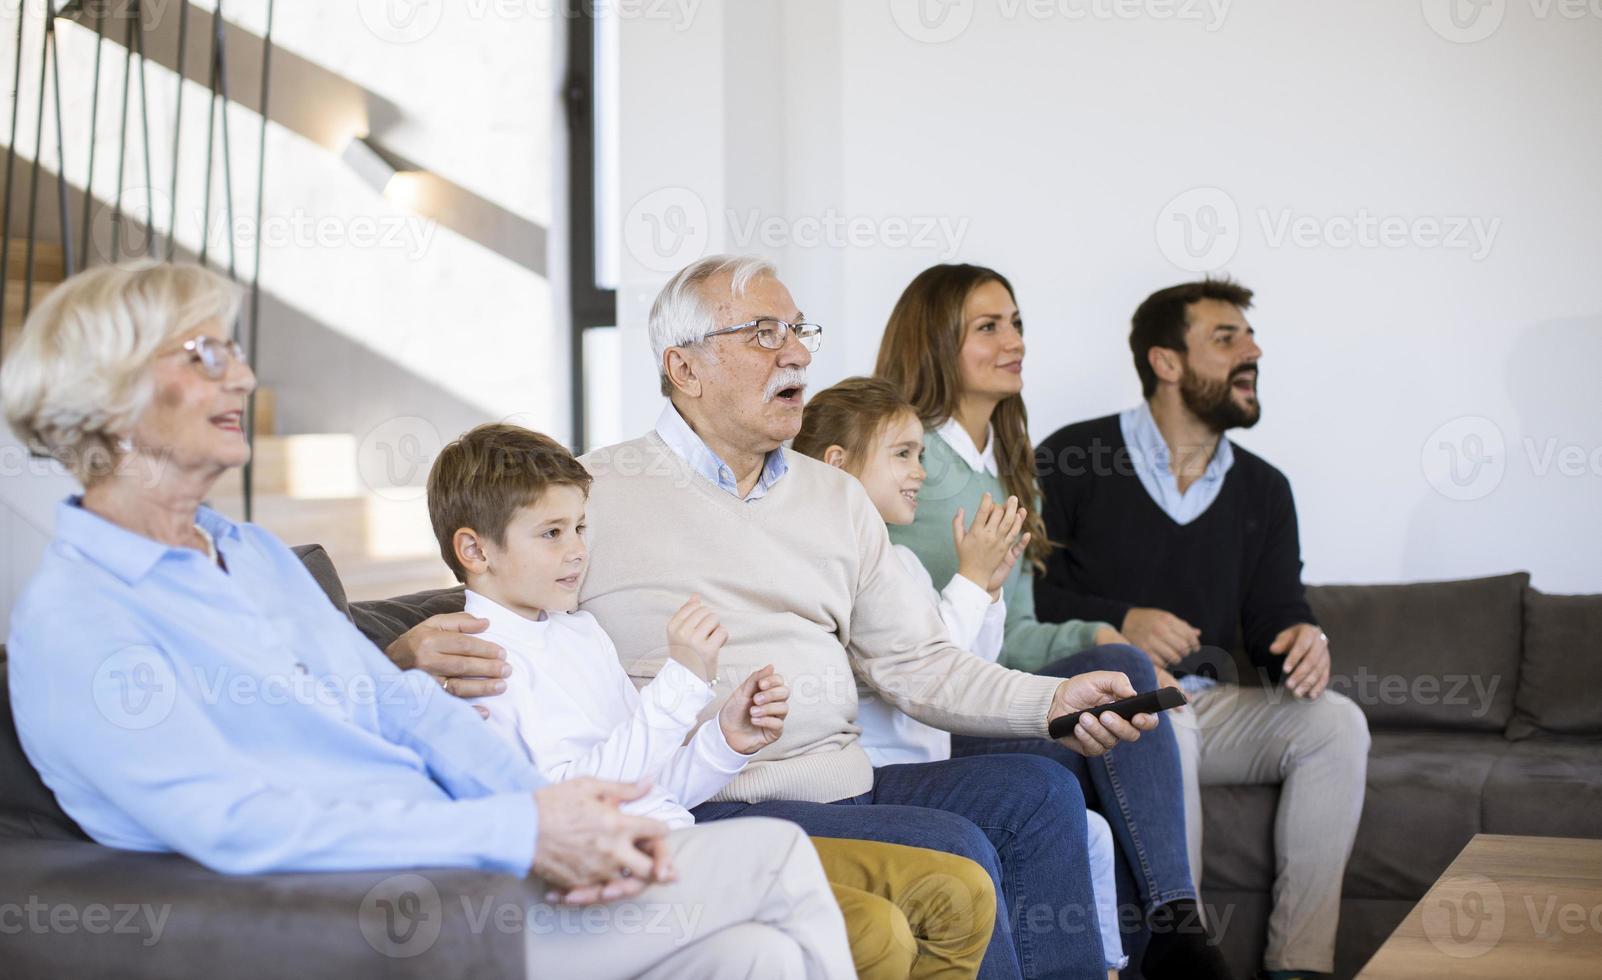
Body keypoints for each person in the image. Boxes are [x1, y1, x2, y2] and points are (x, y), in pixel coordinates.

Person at [1, 263, 856, 980]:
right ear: (107, 390)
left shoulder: (250, 556)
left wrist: (551, 815)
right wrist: (520, 830)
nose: (242, 376)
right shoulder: (77, 622)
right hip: (378, 917)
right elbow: (236, 821)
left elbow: (403, 708)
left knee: (756, 957)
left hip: (466, 868)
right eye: (204, 352)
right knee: (775, 857)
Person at [397, 254, 1162, 980]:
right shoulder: (595, 492)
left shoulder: (835, 500)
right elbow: (497, 583)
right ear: (684, 366)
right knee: (954, 849)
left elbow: (918, 663)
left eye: (799, 331)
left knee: (1040, 793)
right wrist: (405, 654)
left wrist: (1050, 702)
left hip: (847, 782)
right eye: (764, 333)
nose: (795, 352)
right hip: (711, 798)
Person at [424, 421, 998, 979]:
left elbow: (655, 787)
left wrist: (725, 740)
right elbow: (584, 807)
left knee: (949, 893)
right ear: (474, 550)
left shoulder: (576, 631)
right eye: (552, 533)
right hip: (606, 883)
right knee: (813, 880)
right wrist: (682, 682)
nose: (577, 551)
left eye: (579, 527)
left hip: (679, 841)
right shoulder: (476, 663)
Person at [875, 263, 1231, 980]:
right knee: (1114, 725)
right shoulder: (902, 461)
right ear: (937, 341)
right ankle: (1175, 938)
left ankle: (1172, 926)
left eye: (1017, 324)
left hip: (995, 693)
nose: (1015, 340)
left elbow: (1020, 634)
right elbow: (896, 634)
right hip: (923, 717)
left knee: (1122, 679)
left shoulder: (1010, 471)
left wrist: (1096, 636)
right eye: (989, 326)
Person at [1031, 278, 1371, 980]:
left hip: (1213, 705)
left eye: (1248, 338)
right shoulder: (1072, 459)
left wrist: (1304, 639)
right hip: (1121, 709)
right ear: (1166, 362)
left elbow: (1274, 611)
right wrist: (1120, 621)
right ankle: (1182, 957)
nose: (1253, 352)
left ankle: (1298, 967)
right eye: (1227, 338)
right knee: (1169, 723)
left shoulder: (1264, 489)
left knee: (1336, 724)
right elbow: (1025, 599)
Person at [792, 376, 1127, 980]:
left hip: (923, 761)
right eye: (903, 454)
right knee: (1046, 814)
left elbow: (967, 663)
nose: (921, 471)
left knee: (1090, 833)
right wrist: (970, 583)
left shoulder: (905, 562)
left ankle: (1102, 967)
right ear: (837, 466)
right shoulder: (833, 565)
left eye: (920, 452)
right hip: (887, 770)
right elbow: (915, 673)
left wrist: (987, 590)